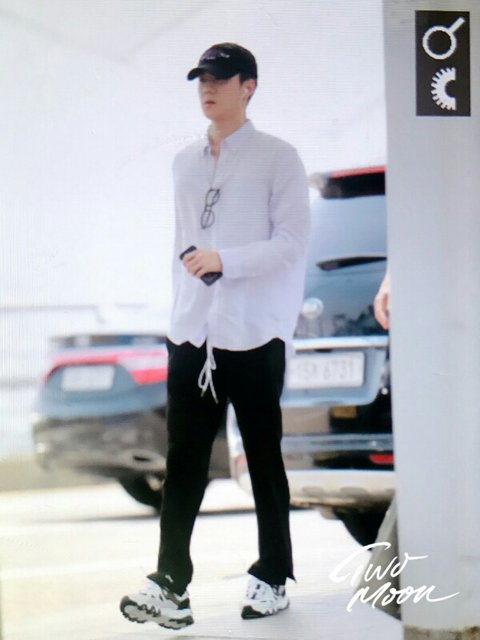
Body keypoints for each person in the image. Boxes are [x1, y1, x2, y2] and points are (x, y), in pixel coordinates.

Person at [120, 42, 311, 630]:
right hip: (192, 333)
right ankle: (170, 585)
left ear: (248, 87)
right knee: (183, 461)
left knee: (262, 458)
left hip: (254, 333)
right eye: (202, 78)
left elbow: (291, 244)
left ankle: (273, 575)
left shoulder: (279, 157)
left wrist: (226, 259)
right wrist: (186, 299)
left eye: (221, 79)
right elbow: (181, 241)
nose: (208, 88)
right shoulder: (185, 161)